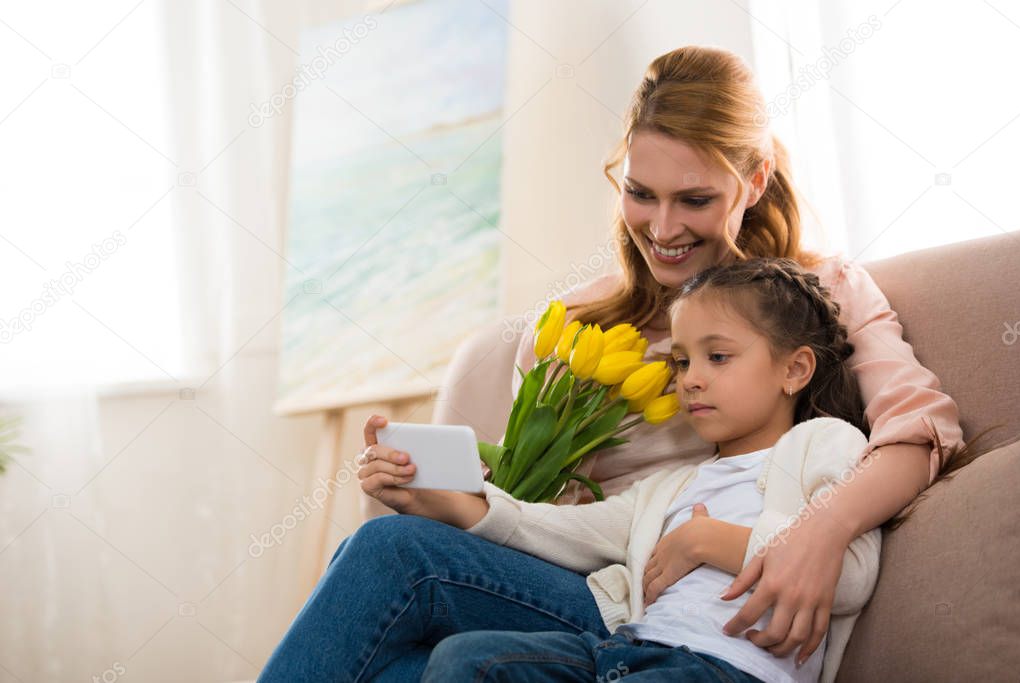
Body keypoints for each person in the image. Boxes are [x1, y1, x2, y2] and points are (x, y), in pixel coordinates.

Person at [257, 44, 965, 681]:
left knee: (396, 588)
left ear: (753, 182)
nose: (662, 229)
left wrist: (818, 531)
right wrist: (453, 494)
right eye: (640, 193)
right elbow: (550, 518)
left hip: (683, 607)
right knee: (389, 559)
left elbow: (916, 430)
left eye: (695, 199)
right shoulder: (572, 325)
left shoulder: (822, 295)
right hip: (586, 585)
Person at [258, 257, 883, 682]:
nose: (692, 379)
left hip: (720, 669)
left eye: (717, 357)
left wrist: (705, 540)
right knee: (466, 660)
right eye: (682, 361)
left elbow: (848, 575)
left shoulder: (821, 444)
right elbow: (557, 534)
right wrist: (458, 503)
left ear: (795, 369)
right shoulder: (670, 488)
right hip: (629, 650)